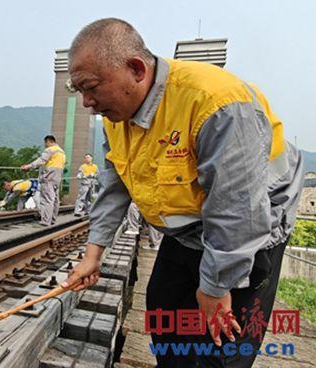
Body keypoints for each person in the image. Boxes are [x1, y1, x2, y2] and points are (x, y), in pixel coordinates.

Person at [62, 18, 304, 368]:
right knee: (165, 316)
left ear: (136, 69)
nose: (86, 102)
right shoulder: (117, 116)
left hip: (250, 231)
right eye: (78, 91)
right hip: (188, 229)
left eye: (91, 87)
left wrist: (217, 288)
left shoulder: (216, 104)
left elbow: (239, 211)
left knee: (220, 343)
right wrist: (93, 253)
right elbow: (115, 185)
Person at [21, 135, 66, 226]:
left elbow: (41, 160)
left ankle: (45, 221)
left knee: (46, 199)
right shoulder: (62, 152)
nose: (45, 145)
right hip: (57, 178)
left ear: (48, 141)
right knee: (55, 199)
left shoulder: (50, 150)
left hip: (48, 177)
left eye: (45, 143)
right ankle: (52, 219)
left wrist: (28, 166)